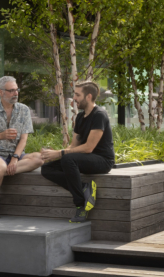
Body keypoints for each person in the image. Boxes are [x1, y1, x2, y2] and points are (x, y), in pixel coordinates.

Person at [40, 81, 115, 223]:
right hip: (85, 158)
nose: (74, 98)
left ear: (88, 96)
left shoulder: (99, 115)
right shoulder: (79, 117)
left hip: (102, 160)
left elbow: (88, 148)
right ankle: (83, 187)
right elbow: (73, 146)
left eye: (77, 95)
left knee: (68, 159)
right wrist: (53, 154)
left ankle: (80, 205)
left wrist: (61, 153)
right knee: (47, 169)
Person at [0, 76, 43, 219]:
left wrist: (15, 158)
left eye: (16, 90)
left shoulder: (24, 110)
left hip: (16, 154)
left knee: (40, 159)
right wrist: (1, 135)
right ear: (1, 92)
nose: (15, 93)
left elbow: (24, 139)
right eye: (11, 91)